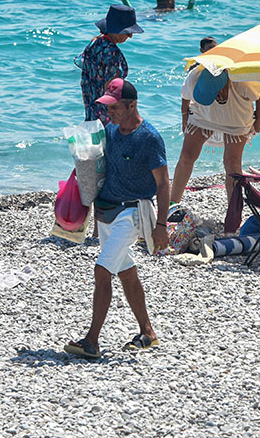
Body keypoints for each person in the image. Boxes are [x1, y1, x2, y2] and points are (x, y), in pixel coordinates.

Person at [64, 79, 167, 359]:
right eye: (107, 107)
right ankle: (148, 332)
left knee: (101, 270)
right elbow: (100, 170)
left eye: (115, 107)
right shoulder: (110, 131)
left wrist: (162, 226)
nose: (110, 113)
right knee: (126, 272)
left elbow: (163, 184)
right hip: (108, 212)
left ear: (132, 105)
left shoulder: (149, 138)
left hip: (132, 213)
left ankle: (91, 340)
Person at [170, 67, 260, 206]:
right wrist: (184, 118)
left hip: (236, 117)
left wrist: (259, 121)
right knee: (186, 156)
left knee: (232, 163)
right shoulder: (194, 76)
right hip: (203, 116)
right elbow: (185, 97)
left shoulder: (242, 80)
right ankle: (172, 204)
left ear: (222, 88)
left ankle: (233, 213)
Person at [76, 4, 141, 125]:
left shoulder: (94, 43)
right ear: (117, 30)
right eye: (128, 32)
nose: (131, 36)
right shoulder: (113, 55)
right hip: (107, 114)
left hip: (90, 108)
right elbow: (110, 91)